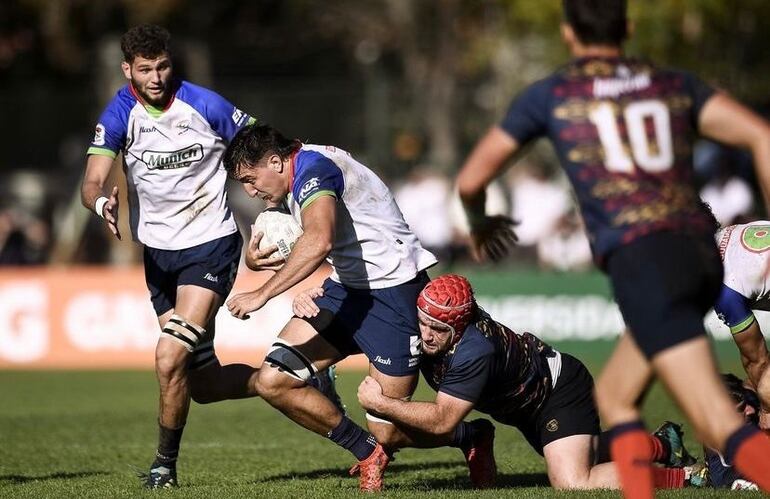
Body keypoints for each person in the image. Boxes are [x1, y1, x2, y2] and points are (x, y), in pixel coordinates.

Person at [454, 1, 770, 497]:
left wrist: (479, 221)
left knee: (651, 405)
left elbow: (472, 178)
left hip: (649, 258)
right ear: (628, 27)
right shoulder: (671, 82)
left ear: (567, 34)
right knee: (624, 397)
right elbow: (761, 135)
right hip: (700, 252)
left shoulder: (553, 93)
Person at [293, 274, 697, 490]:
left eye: (437, 329)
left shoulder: (474, 349)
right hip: (521, 404)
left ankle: (689, 478)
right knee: (583, 452)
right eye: (423, 323)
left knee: (574, 482)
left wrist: (382, 405)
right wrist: (324, 291)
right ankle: (664, 444)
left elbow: (441, 422)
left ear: (459, 325)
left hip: (556, 393)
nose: (426, 335)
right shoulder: (435, 316)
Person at [81, 24, 264, 489]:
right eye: (145, 69)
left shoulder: (205, 103)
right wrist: (102, 202)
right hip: (159, 257)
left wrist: (267, 202)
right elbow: (90, 182)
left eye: (162, 65)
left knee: (167, 358)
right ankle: (289, 380)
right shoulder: (120, 113)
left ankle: (164, 465)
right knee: (199, 382)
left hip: (211, 244)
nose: (156, 76)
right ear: (129, 70)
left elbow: (261, 145)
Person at [222, 123, 437, 491]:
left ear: (275, 161)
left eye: (249, 178)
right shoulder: (298, 171)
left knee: (388, 428)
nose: (249, 190)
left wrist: (260, 293)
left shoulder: (315, 169)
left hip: (393, 294)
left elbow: (319, 240)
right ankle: (368, 453)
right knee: (272, 381)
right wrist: (257, 261)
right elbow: (309, 239)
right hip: (345, 291)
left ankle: (469, 436)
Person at [714, 220, 770, 430]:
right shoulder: (734, 232)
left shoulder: (724, 287)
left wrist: (766, 411)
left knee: (765, 387)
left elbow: (757, 360)